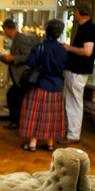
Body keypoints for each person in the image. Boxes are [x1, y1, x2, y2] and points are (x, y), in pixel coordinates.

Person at [19, 19, 68, 152]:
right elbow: (65, 67)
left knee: (35, 115)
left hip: (40, 84)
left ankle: (32, 144)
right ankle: (50, 144)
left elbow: (29, 63)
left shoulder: (39, 47)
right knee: (52, 116)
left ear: (47, 31)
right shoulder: (63, 50)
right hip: (57, 86)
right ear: (60, 33)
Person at [59, 2, 95, 145]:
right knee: (71, 102)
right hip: (74, 70)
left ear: (79, 12)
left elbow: (87, 51)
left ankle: (73, 134)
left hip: (78, 71)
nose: (73, 13)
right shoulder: (85, 27)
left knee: (74, 103)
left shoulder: (90, 28)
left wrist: (69, 48)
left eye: (75, 11)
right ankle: (71, 132)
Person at [0, 19, 32, 130]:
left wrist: (12, 58)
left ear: (7, 29)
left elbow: (28, 56)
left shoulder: (21, 38)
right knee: (13, 97)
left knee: (13, 97)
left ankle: (18, 122)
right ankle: (16, 121)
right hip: (18, 76)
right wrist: (6, 59)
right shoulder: (16, 38)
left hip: (22, 76)